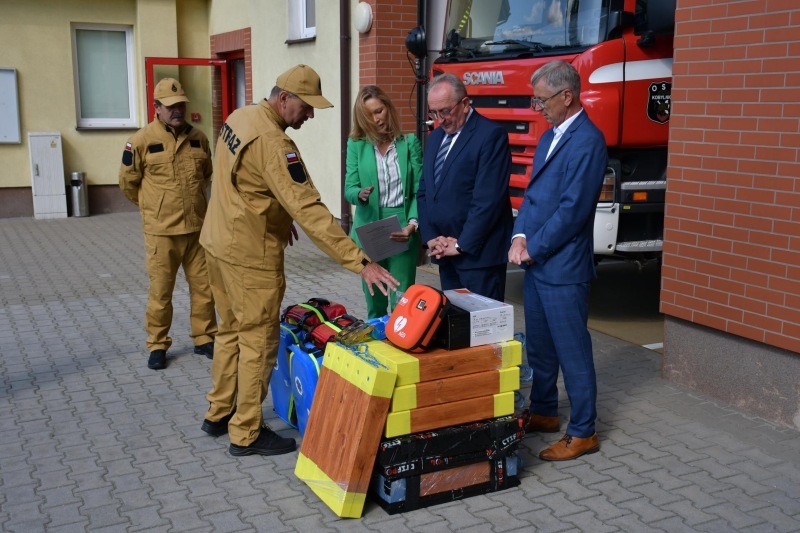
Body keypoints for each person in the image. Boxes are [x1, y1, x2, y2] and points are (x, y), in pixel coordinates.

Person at [198, 65, 399, 457]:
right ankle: (246, 432)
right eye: (306, 108)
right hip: (249, 256)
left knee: (229, 332)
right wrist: (361, 262)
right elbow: (311, 211)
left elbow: (244, 182)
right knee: (258, 339)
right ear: (284, 98)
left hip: (218, 244)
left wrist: (277, 216)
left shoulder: (241, 116)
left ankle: (218, 412)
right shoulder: (276, 144)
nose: (309, 116)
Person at [508, 60, 607, 461]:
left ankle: (583, 432)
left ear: (567, 96)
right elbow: (534, 196)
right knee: (542, 348)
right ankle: (547, 412)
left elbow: (573, 210)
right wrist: (518, 235)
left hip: (563, 269)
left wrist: (533, 246)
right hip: (539, 264)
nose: (538, 107)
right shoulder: (551, 137)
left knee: (573, 351)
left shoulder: (588, 141)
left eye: (542, 99)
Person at [119, 77, 217, 371]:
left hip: (197, 229)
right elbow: (127, 182)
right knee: (161, 292)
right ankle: (158, 344)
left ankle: (204, 338)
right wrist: (153, 208)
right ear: (157, 107)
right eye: (171, 106)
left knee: (205, 289)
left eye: (181, 105)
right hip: (161, 233)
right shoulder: (140, 141)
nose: (177, 110)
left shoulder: (199, 137)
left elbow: (207, 175)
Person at [416, 73, 513, 302]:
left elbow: (488, 201)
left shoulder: (491, 135)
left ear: (465, 103)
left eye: (446, 111)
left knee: (483, 333)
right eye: (434, 113)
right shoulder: (436, 137)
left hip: (479, 258)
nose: (440, 119)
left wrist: (460, 244)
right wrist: (431, 238)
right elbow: (425, 192)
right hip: (445, 253)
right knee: (456, 328)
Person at [344, 85, 423, 319]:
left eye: (379, 111)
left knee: (402, 300)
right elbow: (349, 188)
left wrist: (412, 223)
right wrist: (359, 195)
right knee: (375, 301)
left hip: (402, 228)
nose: (376, 119)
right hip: (371, 229)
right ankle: (378, 348)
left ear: (388, 107)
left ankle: (401, 347)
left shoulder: (409, 143)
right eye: (369, 115)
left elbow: (420, 190)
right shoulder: (356, 145)